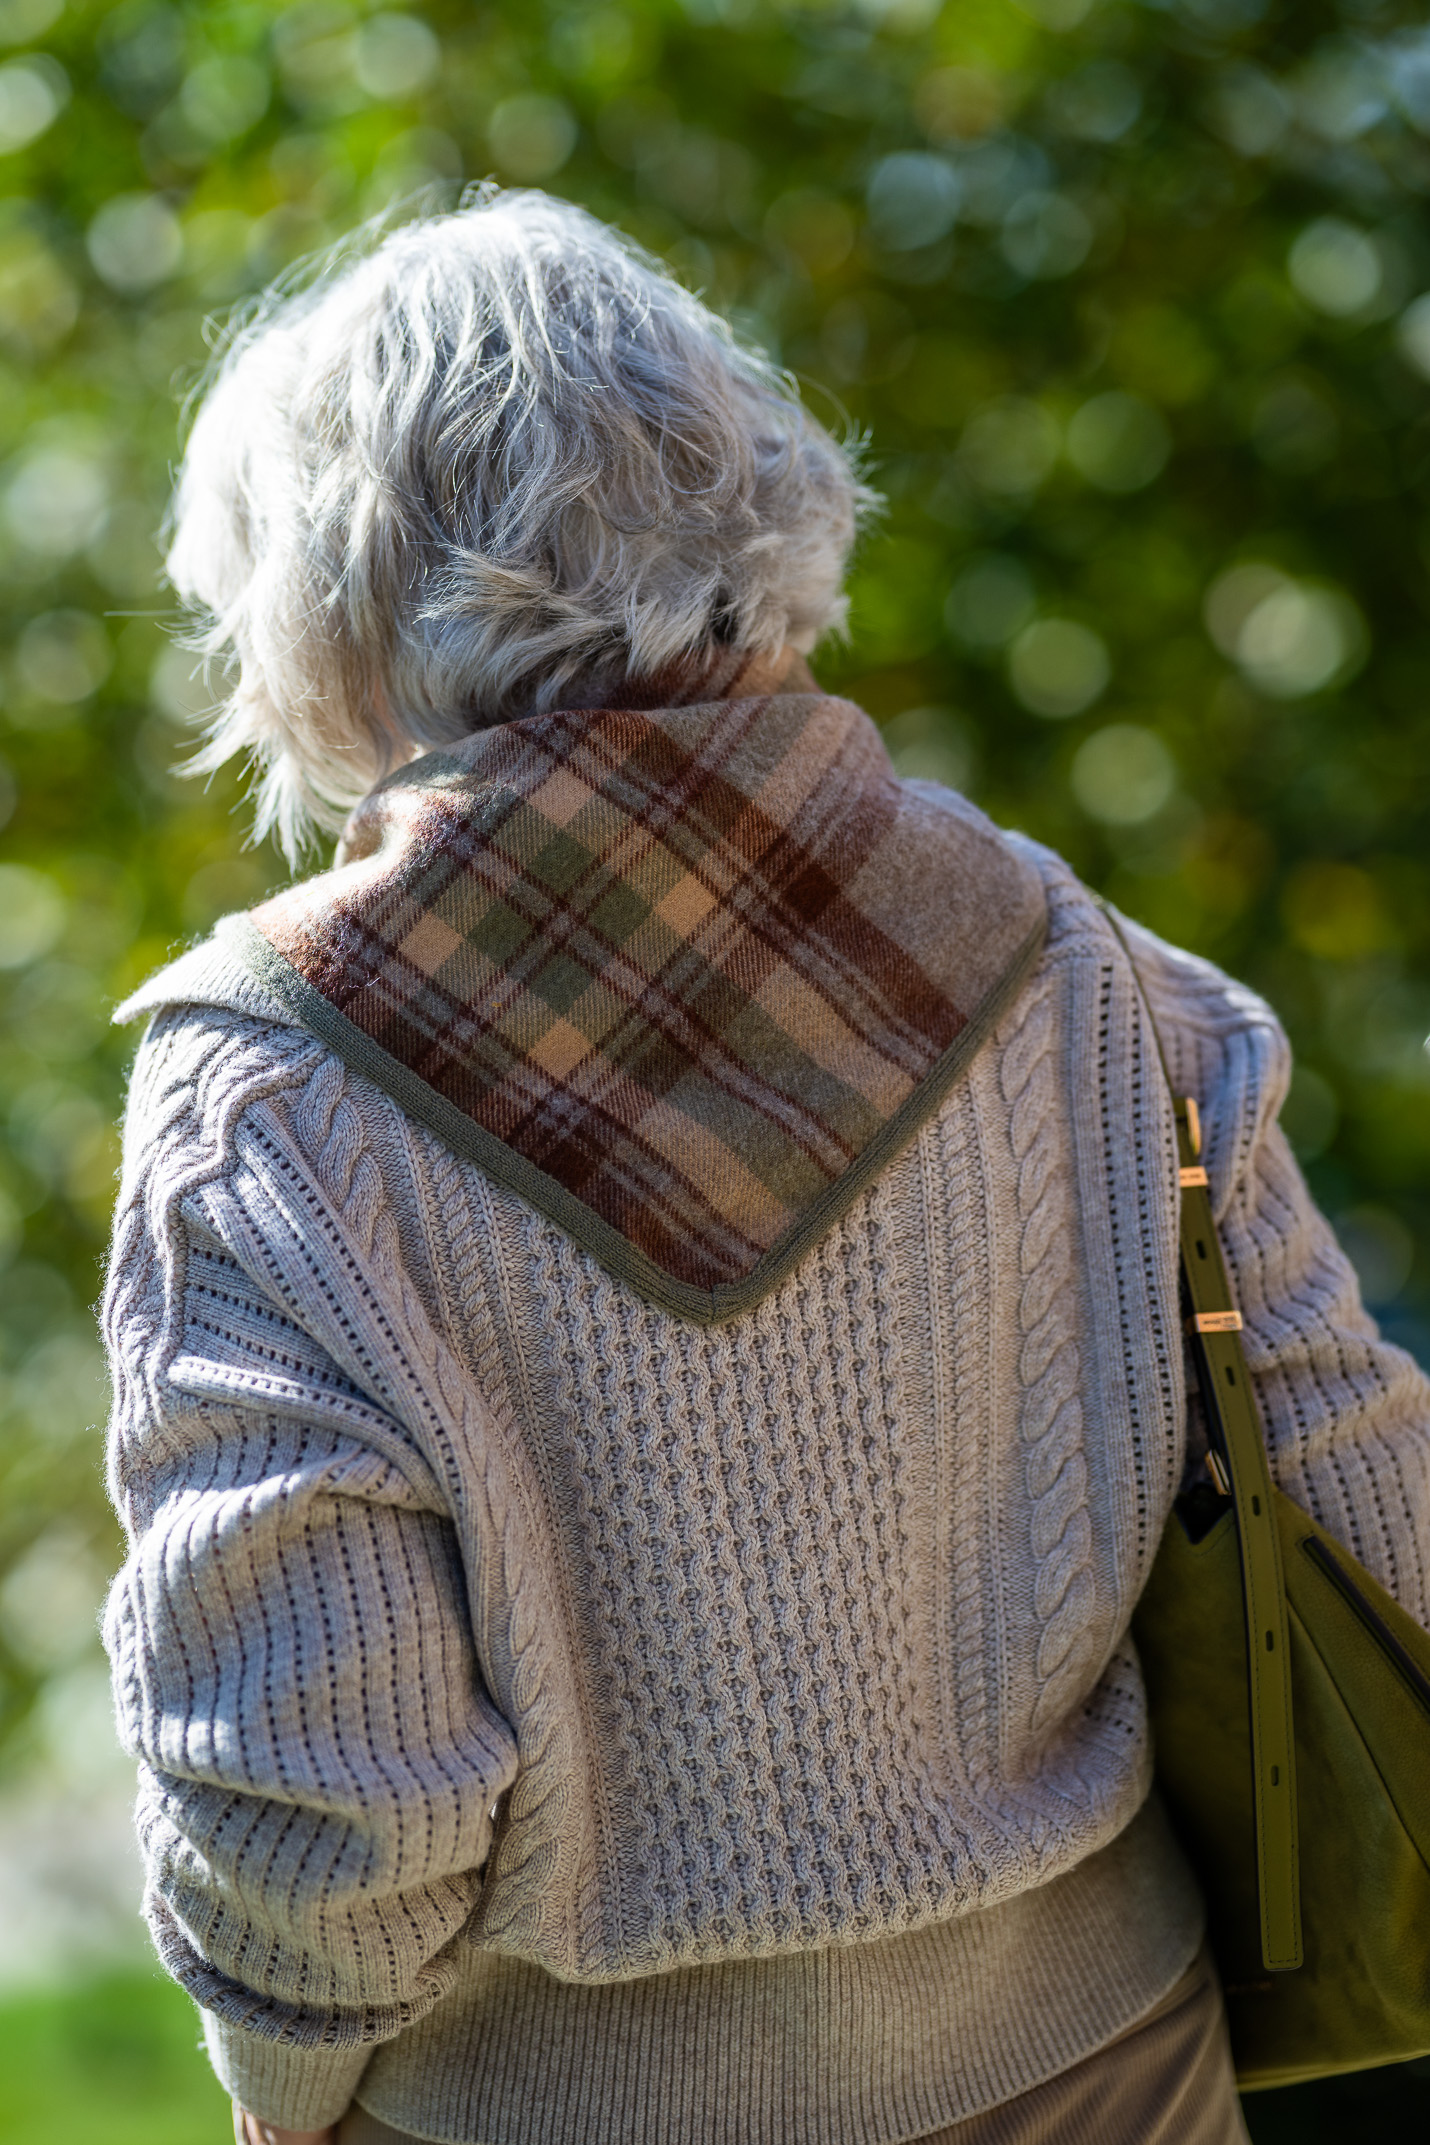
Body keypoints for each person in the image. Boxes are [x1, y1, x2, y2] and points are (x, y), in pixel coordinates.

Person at [102, 190, 1430, 2145]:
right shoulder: (1093, 974)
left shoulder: (273, 1093)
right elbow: (1371, 1519)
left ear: (329, 595)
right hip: (1109, 2068)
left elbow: (324, 1781)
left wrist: (290, 2091)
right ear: (753, 512)